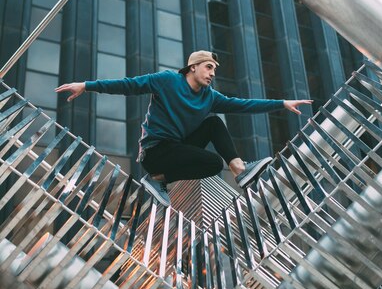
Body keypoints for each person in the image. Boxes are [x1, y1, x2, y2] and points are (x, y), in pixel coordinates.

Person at [55, 50, 312, 207]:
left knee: (213, 125)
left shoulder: (209, 97)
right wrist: (86, 85)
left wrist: (282, 103)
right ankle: (156, 179)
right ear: (193, 67)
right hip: (155, 151)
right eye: (208, 67)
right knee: (211, 161)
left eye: (214, 70)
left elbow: (243, 105)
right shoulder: (167, 81)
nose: (212, 74)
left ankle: (240, 170)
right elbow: (128, 85)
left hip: (177, 149)